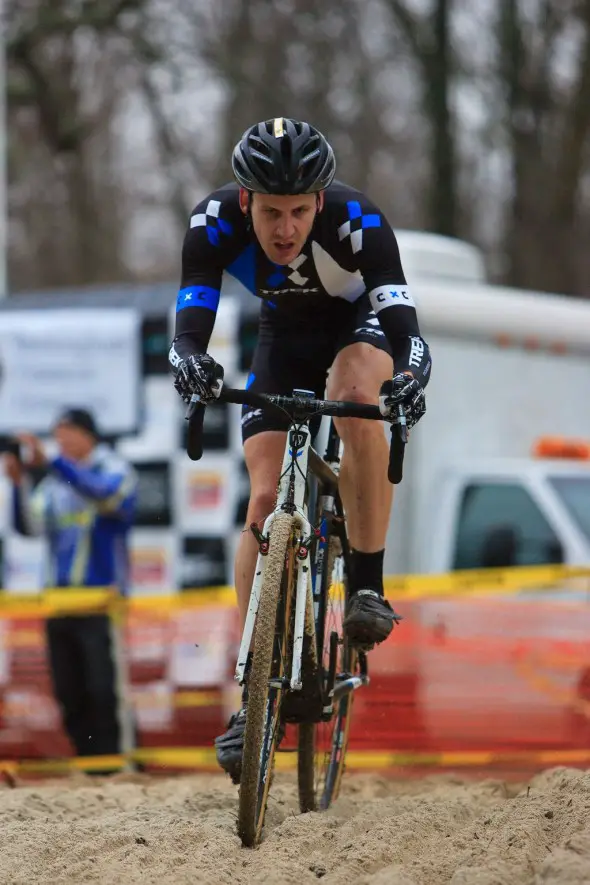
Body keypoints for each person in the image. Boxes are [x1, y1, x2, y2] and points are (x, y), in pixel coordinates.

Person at [169, 117, 432, 782]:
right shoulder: (210, 223)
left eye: (298, 212)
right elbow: (191, 323)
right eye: (271, 213)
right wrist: (190, 359)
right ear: (244, 202)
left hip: (357, 328)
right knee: (262, 493)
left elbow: (406, 328)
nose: (285, 229)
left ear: (320, 201)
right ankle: (256, 685)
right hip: (281, 340)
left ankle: (367, 587)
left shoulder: (357, 220)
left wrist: (407, 375)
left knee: (354, 397)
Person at [3, 408, 137, 768]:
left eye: (65, 433)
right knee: (69, 693)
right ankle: (90, 765)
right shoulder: (53, 481)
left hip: (101, 603)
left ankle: (117, 767)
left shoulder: (115, 468)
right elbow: (29, 528)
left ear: (87, 434)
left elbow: (108, 497)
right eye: (56, 435)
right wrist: (18, 483)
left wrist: (55, 465)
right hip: (59, 604)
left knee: (103, 690)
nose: (59, 442)